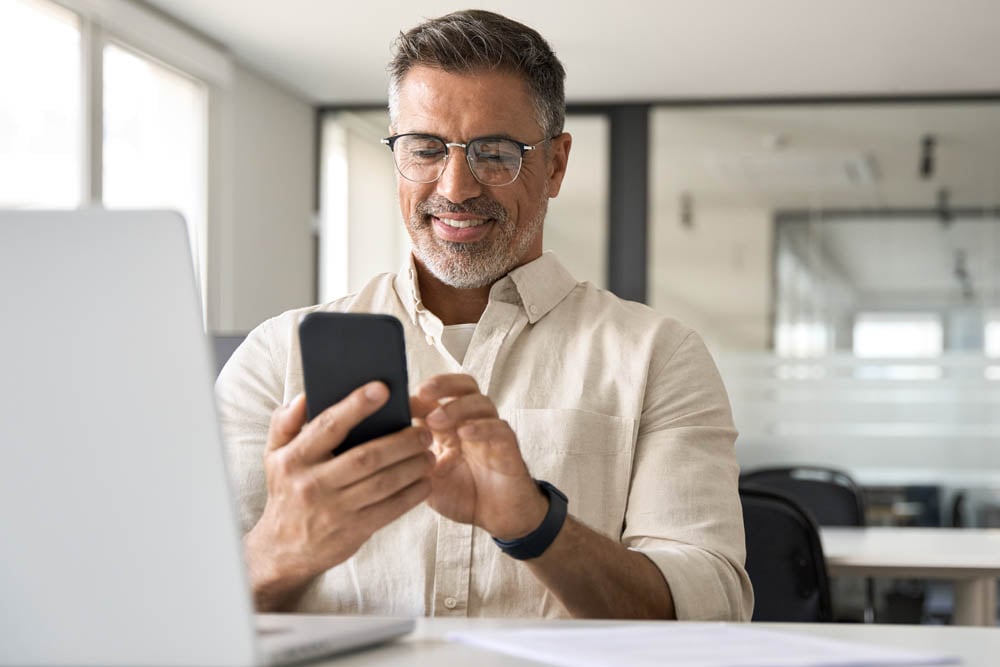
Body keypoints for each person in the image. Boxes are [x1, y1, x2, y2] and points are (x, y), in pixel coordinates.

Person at [216, 9, 752, 621]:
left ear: (554, 165)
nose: (456, 185)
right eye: (424, 149)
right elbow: (178, 610)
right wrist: (288, 544)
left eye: (495, 153)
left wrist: (533, 523)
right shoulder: (275, 355)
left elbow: (712, 610)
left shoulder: (659, 356)